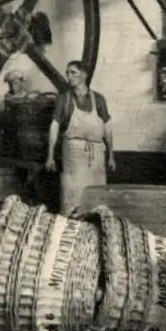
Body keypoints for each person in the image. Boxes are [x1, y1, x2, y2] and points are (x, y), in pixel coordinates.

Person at [45, 60, 115, 215]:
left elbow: (107, 127)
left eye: (73, 73)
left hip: (96, 155)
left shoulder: (98, 99)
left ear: (83, 75)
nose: (69, 77)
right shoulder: (64, 99)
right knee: (72, 197)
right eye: (67, 73)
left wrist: (111, 155)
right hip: (73, 154)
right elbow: (54, 126)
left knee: (96, 197)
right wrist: (50, 156)